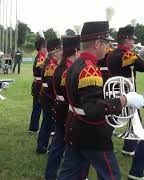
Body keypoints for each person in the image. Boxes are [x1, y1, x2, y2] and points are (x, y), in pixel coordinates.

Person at [57, 21, 144, 180]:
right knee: (111, 176)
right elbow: (93, 109)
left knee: (70, 175)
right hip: (92, 134)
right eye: (106, 42)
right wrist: (125, 99)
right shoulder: (90, 68)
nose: (107, 47)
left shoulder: (76, 64)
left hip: (75, 128)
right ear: (97, 43)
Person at [45, 35, 90, 180]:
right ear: (76, 51)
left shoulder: (61, 67)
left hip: (60, 108)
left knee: (57, 146)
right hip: (66, 111)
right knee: (65, 148)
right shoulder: (67, 70)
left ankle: (51, 175)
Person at [107, 25, 144, 157]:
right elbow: (142, 67)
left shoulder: (111, 53)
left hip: (114, 91)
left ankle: (118, 146)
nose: (133, 42)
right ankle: (129, 148)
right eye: (132, 40)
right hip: (128, 91)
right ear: (126, 39)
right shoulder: (127, 54)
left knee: (112, 119)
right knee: (134, 118)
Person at [36, 38, 62, 154]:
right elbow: (52, 85)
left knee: (47, 122)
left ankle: (43, 147)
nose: (62, 52)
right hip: (49, 98)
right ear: (55, 51)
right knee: (47, 123)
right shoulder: (51, 65)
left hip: (47, 97)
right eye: (61, 49)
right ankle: (42, 147)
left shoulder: (52, 63)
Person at [29, 37, 47, 133]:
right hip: (39, 84)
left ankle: (33, 127)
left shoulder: (41, 56)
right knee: (38, 107)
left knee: (37, 107)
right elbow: (41, 70)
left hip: (37, 83)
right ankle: (34, 127)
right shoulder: (41, 57)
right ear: (42, 47)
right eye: (46, 47)